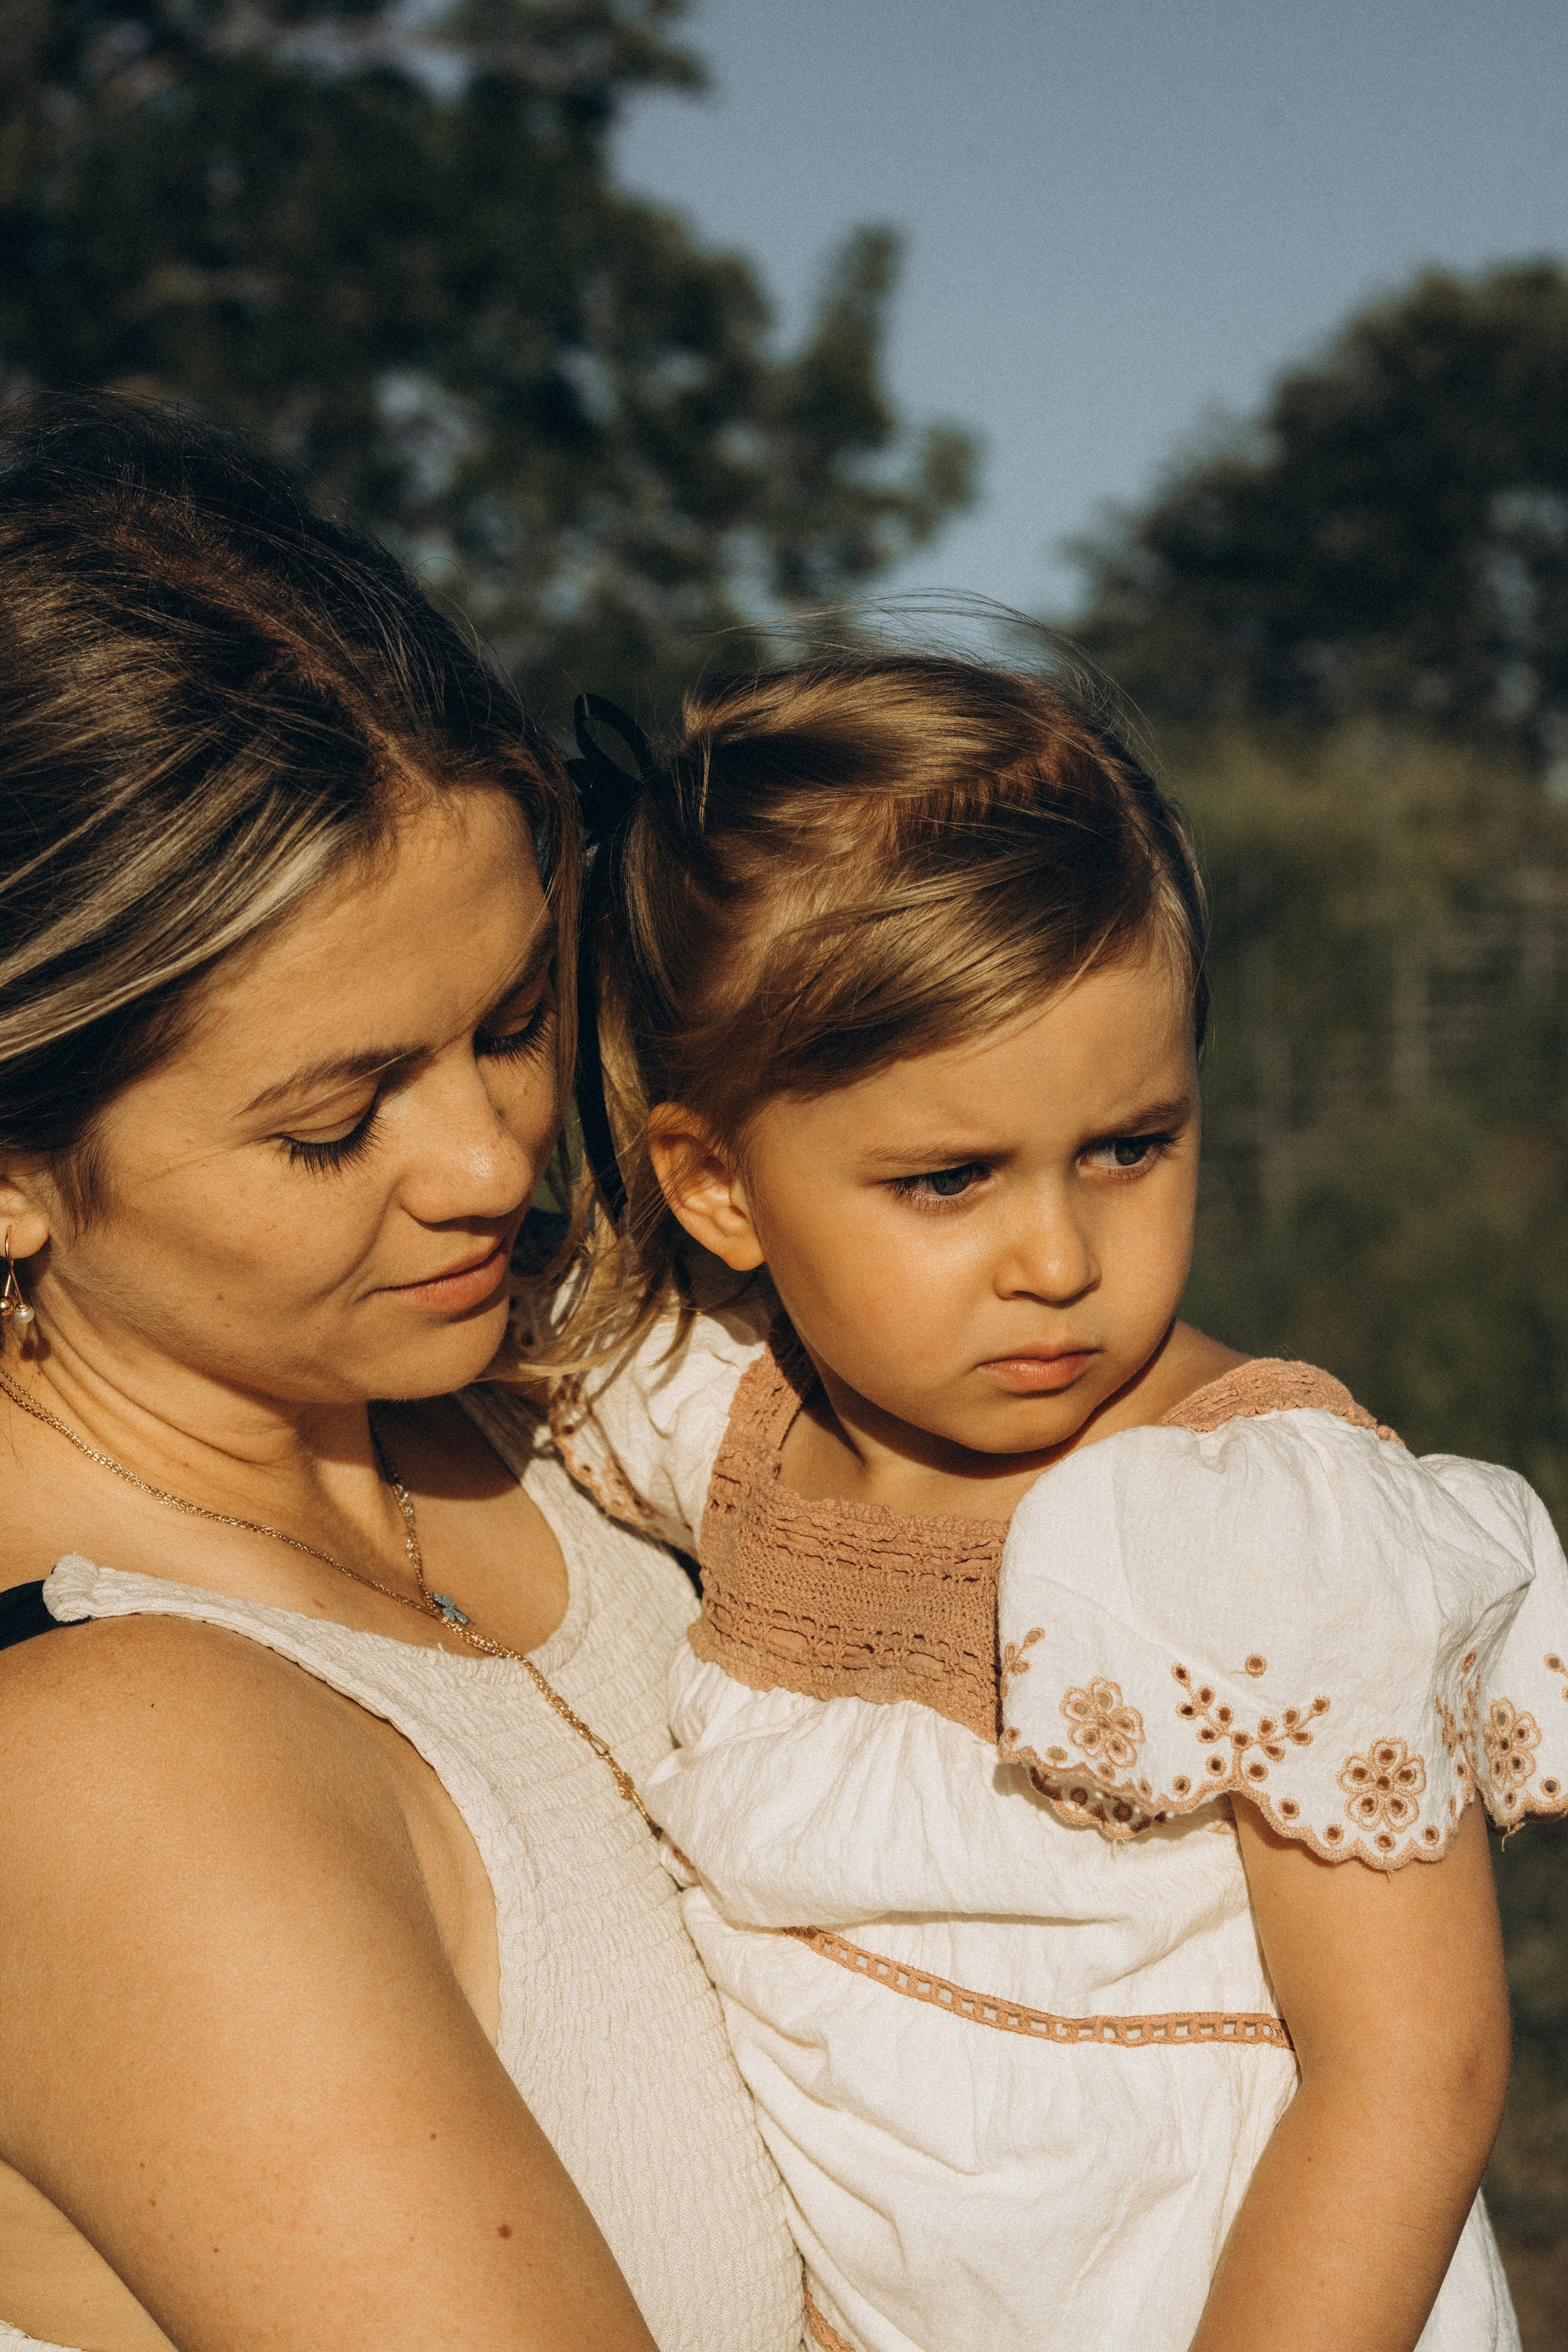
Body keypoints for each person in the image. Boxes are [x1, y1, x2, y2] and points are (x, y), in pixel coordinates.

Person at [534, 652, 1568, 2352]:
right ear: (716, 1184)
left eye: (1129, 1144)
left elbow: (1415, 2074)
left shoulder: (1251, 1527)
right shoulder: (725, 1426)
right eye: (949, 1179)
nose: (1060, 1260)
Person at [0, 396, 804, 2352]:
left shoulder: (561, 1408)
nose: (492, 1162)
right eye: (334, 1120)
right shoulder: (111, 1760)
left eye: (516, 1019)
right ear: (18, 1174)